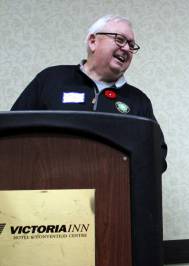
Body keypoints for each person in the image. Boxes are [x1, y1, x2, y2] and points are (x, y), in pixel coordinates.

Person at [11, 14, 167, 172]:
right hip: (47, 187)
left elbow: (157, 158)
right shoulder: (51, 79)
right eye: (120, 40)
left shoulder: (138, 100)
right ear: (93, 42)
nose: (127, 48)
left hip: (112, 191)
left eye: (131, 45)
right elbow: (13, 133)